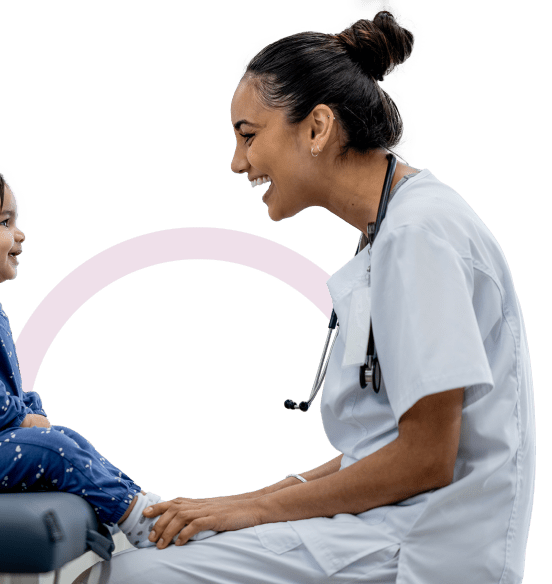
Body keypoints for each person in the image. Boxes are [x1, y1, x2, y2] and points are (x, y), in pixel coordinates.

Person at [80, 10, 535, 584]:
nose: (237, 162)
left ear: (317, 129)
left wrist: (254, 510)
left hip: (419, 547)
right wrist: (249, 500)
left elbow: (425, 457)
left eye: (248, 135)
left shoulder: (420, 234)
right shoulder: (390, 235)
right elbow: (380, 446)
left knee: (127, 577)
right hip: (386, 527)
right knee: (144, 556)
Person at [0, 160, 215, 549]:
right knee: (55, 448)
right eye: (4, 222)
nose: (19, 234)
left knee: (65, 439)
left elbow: (1, 385)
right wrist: (22, 418)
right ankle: (140, 521)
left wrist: (29, 410)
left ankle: (141, 507)